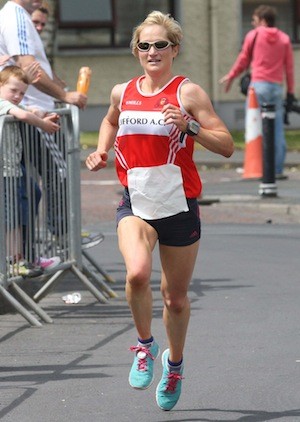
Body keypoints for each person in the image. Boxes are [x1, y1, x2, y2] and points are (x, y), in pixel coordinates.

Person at [86, 10, 234, 411]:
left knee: (176, 299)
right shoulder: (123, 90)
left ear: (174, 49)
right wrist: (101, 149)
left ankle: (175, 365)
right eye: (145, 45)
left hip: (178, 205)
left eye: (160, 45)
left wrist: (190, 126)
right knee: (136, 273)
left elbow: (226, 144)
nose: (152, 51)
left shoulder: (188, 93)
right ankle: (145, 346)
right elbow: (109, 119)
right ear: (137, 50)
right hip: (135, 201)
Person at [219, 4, 295, 179]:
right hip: (276, 87)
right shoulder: (284, 39)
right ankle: (276, 169)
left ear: (262, 20)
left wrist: (231, 76)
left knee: (255, 127)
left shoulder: (253, 36)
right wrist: (290, 92)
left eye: (254, 20)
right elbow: (289, 69)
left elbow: (243, 59)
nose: (253, 24)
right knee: (276, 129)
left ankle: (257, 166)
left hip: (258, 86)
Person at [0, 65, 60, 276]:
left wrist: (41, 113)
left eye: (22, 92)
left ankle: (27, 254)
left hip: (15, 170)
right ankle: (14, 260)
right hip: (5, 173)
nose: (17, 96)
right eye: (13, 90)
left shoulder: (10, 102)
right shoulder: (2, 103)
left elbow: (29, 111)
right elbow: (23, 116)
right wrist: (43, 125)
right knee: (12, 217)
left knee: (32, 196)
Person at [31, 3, 66, 89]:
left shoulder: (38, 42)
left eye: (43, 24)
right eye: (35, 22)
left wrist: (59, 84)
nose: (39, 27)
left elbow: (44, 66)